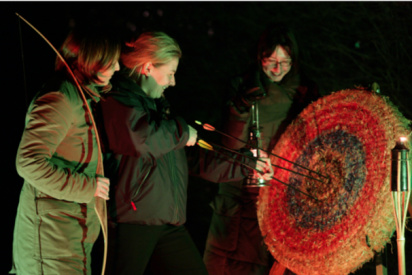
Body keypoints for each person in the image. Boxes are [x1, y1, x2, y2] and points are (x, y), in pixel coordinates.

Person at [96, 31, 273, 275]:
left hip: (167, 224)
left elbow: (195, 160)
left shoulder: (159, 111)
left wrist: (246, 163)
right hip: (131, 223)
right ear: (148, 68)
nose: (173, 81)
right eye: (170, 73)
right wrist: (181, 132)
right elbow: (140, 139)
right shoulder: (118, 101)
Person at [203, 23, 319, 275]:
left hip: (286, 195)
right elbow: (229, 144)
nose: (278, 69)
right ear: (260, 57)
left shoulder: (305, 92)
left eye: (285, 62)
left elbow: (312, 144)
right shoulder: (241, 85)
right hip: (241, 192)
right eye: (271, 60)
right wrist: (241, 107)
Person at [10, 27, 120, 274]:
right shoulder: (59, 97)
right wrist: (88, 187)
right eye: (111, 61)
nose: (118, 68)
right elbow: (28, 162)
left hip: (67, 234)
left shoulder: (80, 97)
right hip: (49, 240)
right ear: (91, 61)